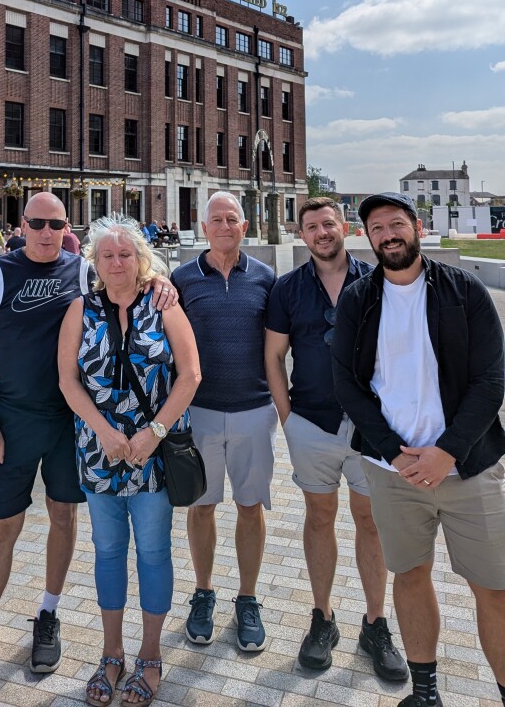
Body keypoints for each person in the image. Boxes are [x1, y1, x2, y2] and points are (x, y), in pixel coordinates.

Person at [0, 193, 177, 706]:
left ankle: (48, 614)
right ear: (22, 225)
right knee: (1, 529)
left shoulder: (83, 272)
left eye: (56, 224)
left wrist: (161, 280)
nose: (46, 232)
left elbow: (129, 278)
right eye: (37, 223)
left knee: (63, 518)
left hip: (72, 423)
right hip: (16, 418)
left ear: (68, 229)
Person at [332, 192, 505, 707]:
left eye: (396, 224)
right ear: (367, 237)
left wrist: (448, 451)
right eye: (377, 228)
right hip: (394, 474)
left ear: (418, 228)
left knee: (495, 589)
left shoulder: (464, 290)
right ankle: (425, 693)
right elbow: (347, 384)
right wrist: (393, 452)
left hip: (469, 469)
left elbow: (491, 380)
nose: (388, 234)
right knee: (409, 575)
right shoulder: (358, 300)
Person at [58, 215, 201, 706]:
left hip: (153, 455)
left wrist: (152, 433)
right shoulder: (81, 308)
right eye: (107, 255)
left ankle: (151, 655)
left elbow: (190, 375)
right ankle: (111, 653)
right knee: (107, 552)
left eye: (125, 254)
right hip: (99, 453)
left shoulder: (163, 304)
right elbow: (67, 380)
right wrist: (103, 431)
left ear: (141, 259)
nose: (116, 263)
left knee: (154, 552)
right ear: (94, 262)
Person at [265, 197, 407, 680]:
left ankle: (375, 623)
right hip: (312, 423)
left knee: (371, 521)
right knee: (319, 517)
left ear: (343, 227)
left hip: (371, 427)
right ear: (301, 233)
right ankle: (322, 617)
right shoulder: (287, 288)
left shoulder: (378, 280)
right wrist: (287, 418)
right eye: (311, 226)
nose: (321, 233)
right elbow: (274, 356)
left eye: (328, 224)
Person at [172, 192, 277, 652]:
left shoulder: (266, 279)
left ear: (244, 226)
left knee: (250, 506)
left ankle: (248, 599)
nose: (224, 226)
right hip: (200, 412)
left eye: (232, 218)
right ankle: (203, 592)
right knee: (203, 505)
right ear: (203, 227)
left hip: (254, 409)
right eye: (216, 219)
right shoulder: (181, 279)